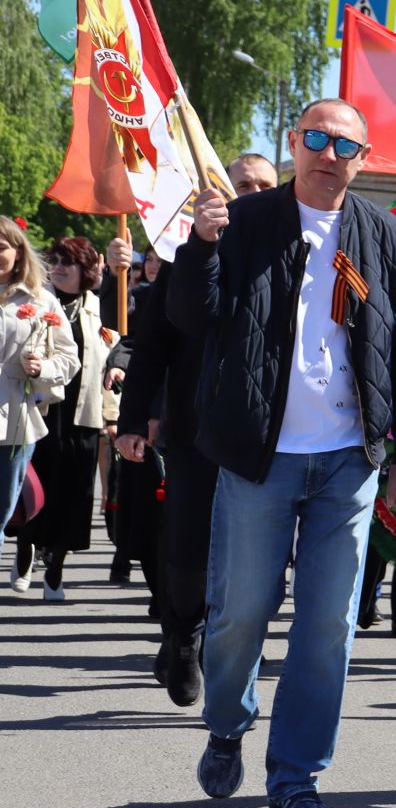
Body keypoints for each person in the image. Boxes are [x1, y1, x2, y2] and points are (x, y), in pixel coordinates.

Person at [168, 100, 396, 808]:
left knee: (327, 626)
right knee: (240, 612)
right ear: (293, 144)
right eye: (315, 138)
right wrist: (199, 247)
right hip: (259, 456)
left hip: (349, 459)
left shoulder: (384, 237)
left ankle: (296, 780)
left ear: (363, 156)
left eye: (344, 144)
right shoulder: (245, 222)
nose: (328, 152)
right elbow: (191, 317)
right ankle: (227, 723)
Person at [116, 153, 279, 705]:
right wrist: (134, 420)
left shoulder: (291, 250)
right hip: (195, 429)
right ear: (220, 191)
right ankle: (182, 635)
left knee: (250, 556)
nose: (251, 192)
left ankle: (226, 642)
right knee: (187, 544)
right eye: (242, 184)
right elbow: (153, 346)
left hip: (268, 434)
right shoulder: (183, 253)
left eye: (263, 185)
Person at [13, 239, 113, 601]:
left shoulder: (102, 308)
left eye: (68, 262)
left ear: (86, 268)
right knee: (36, 489)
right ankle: (26, 548)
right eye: (54, 260)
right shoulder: (36, 302)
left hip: (83, 413)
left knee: (75, 493)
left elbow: (119, 352)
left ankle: (55, 569)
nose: (58, 267)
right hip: (43, 408)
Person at [1, 220, 81, 592]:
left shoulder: (40, 300)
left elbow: (69, 357)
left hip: (14, 421)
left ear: (17, 252)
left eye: (1, 246)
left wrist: (42, 367)